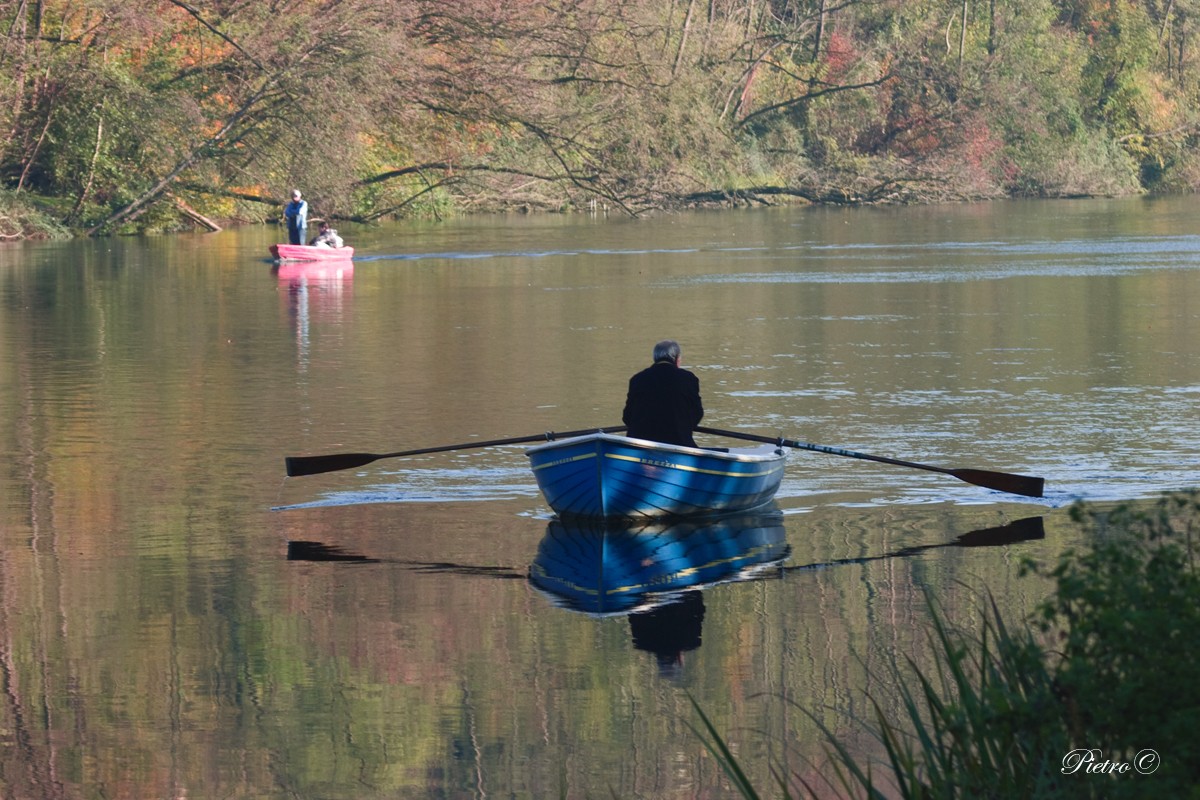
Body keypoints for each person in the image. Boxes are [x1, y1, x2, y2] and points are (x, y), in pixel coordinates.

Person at [622, 339, 704, 447]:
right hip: (678, 443)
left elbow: (627, 417)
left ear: (655, 357)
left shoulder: (637, 379)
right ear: (676, 358)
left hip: (638, 444)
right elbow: (697, 413)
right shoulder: (688, 379)